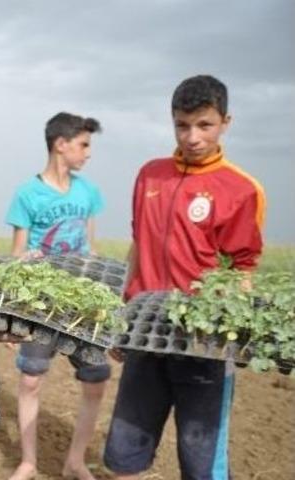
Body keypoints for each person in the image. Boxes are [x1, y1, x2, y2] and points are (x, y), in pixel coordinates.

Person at [103, 75, 265, 480]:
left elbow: (242, 270)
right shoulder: (150, 175)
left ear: (225, 122)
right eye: (182, 125)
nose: (192, 137)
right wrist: (122, 316)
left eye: (204, 125)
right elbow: (138, 246)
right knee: (124, 454)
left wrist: (231, 334)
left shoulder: (242, 190)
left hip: (202, 344)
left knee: (201, 463)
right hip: (146, 336)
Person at [4, 112, 108, 480]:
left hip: (81, 304)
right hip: (42, 304)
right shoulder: (27, 194)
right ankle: (29, 462)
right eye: (83, 144)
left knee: (96, 380)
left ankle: (75, 461)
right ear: (61, 144)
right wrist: (23, 267)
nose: (88, 153)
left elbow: (89, 246)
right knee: (31, 380)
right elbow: (17, 253)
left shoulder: (88, 192)